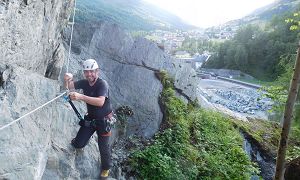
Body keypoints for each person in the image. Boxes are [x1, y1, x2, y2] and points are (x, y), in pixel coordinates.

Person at [64, 59, 113, 179]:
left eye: (92, 71)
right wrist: (67, 79)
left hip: (104, 121)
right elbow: (69, 87)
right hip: (91, 119)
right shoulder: (84, 83)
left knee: (103, 148)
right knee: (78, 144)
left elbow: (101, 102)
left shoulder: (102, 84)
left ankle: (106, 169)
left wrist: (81, 96)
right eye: (87, 72)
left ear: (97, 71)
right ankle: (82, 138)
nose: (89, 74)